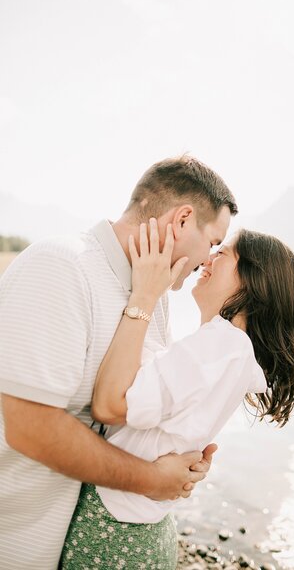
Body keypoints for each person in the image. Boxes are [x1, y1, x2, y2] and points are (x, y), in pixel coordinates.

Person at [0, 155, 238, 570]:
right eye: (213, 241)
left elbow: (133, 408)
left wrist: (181, 454)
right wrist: (151, 480)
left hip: (79, 539)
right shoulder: (61, 266)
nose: (209, 258)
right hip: (18, 537)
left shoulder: (154, 293)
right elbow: (29, 427)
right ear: (183, 220)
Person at [60, 219, 294, 569]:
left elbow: (112, 404)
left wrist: (144, 295)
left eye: (224, 252)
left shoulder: (220, 347)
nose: (208, 258)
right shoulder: (231, 354)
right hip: (141, 524)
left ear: (253, 279)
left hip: (116, 528)